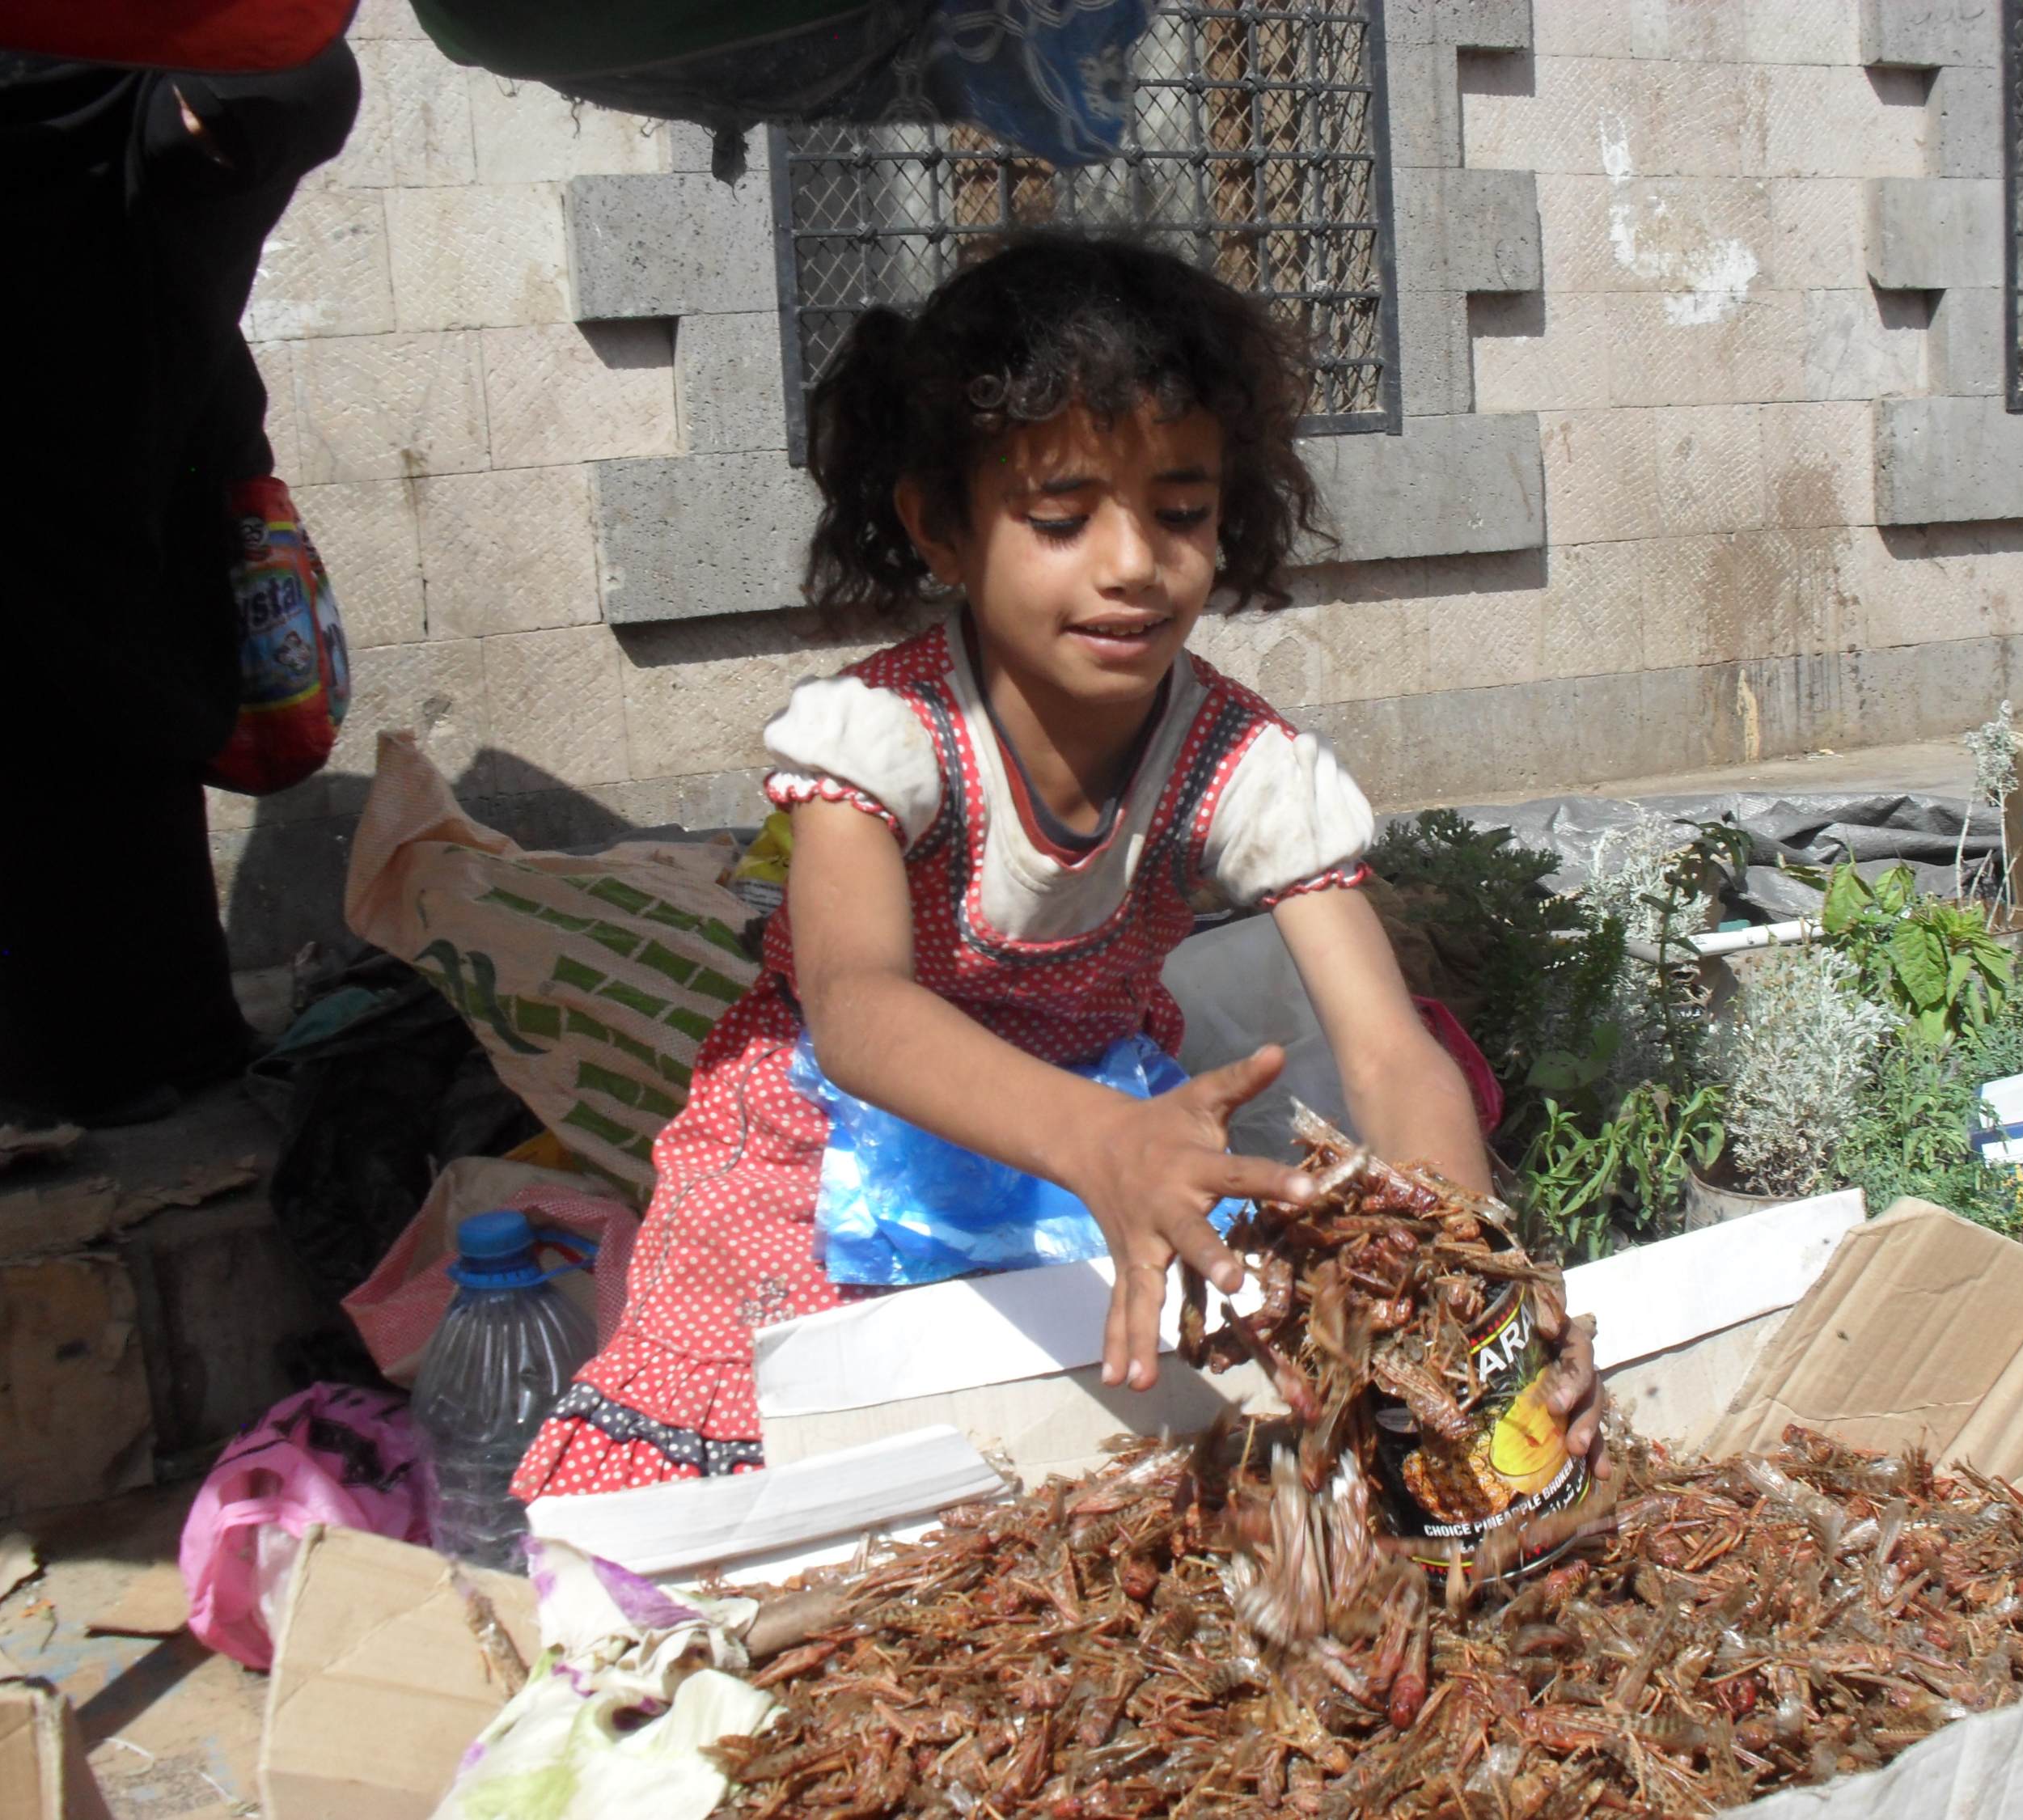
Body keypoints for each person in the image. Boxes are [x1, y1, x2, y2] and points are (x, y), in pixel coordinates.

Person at [514, 235, 1604, 1500]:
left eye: (1181, 511)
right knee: (772, 1438)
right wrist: (1100, 1143)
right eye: (1061, 516)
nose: (1133, 562)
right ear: (941, 528)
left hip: (1114, 1138)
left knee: (1231, 1432)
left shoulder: (1241, 760)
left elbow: (1386, 1050)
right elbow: (858, 1008)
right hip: (831, 1150)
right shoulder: (883, 742)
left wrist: (1468, 1287)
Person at [0, 42, 359, 1124]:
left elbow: (296, 78)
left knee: (106, 772)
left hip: (122, 517)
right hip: (99, 513)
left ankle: (126, 1055)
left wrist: (197, 112)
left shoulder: (129, 129)